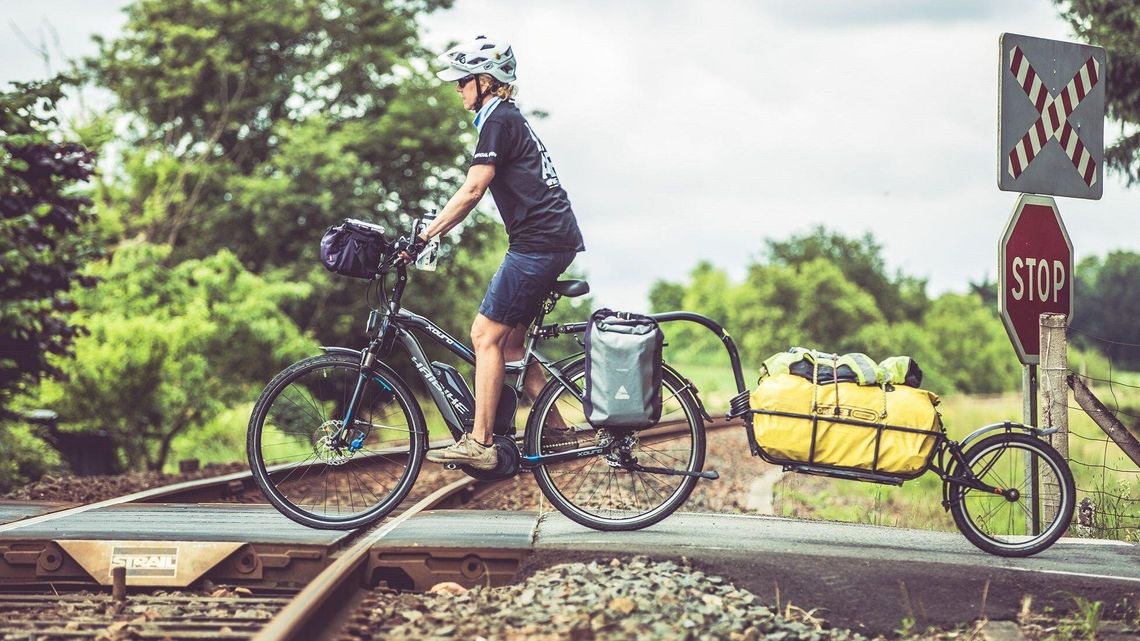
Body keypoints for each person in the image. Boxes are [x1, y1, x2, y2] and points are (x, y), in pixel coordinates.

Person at [399, 36, 585, 470]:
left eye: (463, 81)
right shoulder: (505, 118)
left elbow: (473, 190)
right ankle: (557, 431)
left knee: (484, 336)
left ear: (486, 81)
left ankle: (481, 443)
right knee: (512, 344)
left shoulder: (498, 120)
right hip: (550, 240)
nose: (457, 88)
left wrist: (426, 235)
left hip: (538, 243)